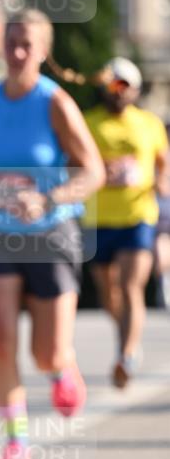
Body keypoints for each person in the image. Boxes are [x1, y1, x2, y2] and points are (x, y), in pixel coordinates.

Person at [0, 9, 105, 459]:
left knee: (46, 351)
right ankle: (17, 443)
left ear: (42, 51)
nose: (16, 52)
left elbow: (91, 170)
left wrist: (49, 196)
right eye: (10, 42)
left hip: (51, 234)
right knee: (2, 340)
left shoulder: (56, 103)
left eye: (26, 44)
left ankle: (62, 369)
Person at [83, 58, 169, 387]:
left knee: (132, 286)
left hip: (138, 216)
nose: (116, 92)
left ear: (134, 90)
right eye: (111, 85)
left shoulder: (149, 124)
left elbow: (164, 162)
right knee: (109, 294)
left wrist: (162, 182)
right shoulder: (89, 123)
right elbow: (75, 160)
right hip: (99, 219)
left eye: (123, 86)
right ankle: (127, 335)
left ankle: (127, 353)